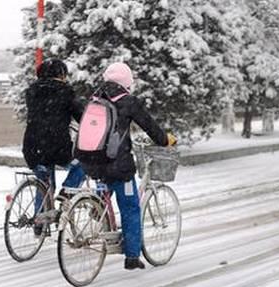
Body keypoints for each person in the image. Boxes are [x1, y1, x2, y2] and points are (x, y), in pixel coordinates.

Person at [80, 62, 177, 270]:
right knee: (131, 207)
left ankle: (99, 210)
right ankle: (132, 256)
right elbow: (150, 126)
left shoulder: (95, 98)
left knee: (105, 185)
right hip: (117, 165)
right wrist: (165, 139)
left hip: (93, 161)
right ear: (126, 83)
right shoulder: (128, 101)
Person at [22, 58, 85, 236]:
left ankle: (39, 222)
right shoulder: (65, 92)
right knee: (82, 165)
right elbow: (81, 116)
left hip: (32, 146)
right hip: (57, 146)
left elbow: (45, 113)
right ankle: (67, 192)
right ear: (61, 74)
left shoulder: (31, 92)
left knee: (44, 181)